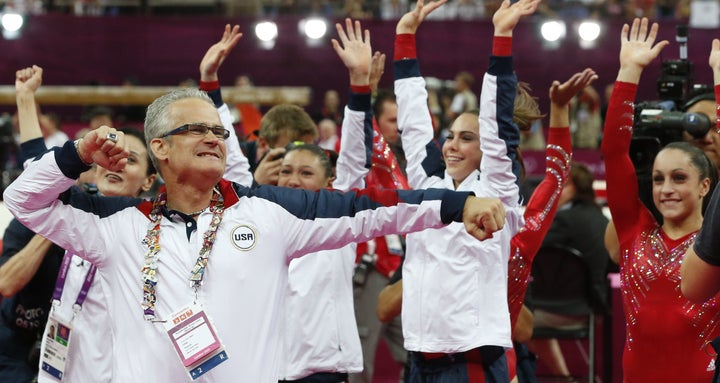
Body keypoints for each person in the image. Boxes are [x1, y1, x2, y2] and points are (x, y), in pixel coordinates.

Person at [3, 78, 507, 383]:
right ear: (159, 148)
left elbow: (367, 207)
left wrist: (455, 204)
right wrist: (74, 155)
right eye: (195, 129)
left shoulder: (269, 213)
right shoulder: (115, 226)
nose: (213, 138)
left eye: (218, 131)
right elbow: (23, 199)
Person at [390, 1, 537, 381]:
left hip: (471, 358)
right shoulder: (428, 185)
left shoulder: (499, 190)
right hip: (420, 355)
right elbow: (413, 122)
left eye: (467, 138)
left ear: (486, 147)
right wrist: (405, 38)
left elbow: (497, 125)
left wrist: (501, 37)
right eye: (451, 136)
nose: (453, 145)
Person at [602, 18, 720, 382]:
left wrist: (719, 79)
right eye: (657, 179)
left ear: (705, 186)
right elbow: (613, 153)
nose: (665, 188)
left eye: (679, 178)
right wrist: (629, 72)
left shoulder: (713, 245)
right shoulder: (634, 229)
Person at [275, 19, 376, 382]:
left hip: (323, 368)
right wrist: (211, 82)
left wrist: (360, 85)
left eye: (306, 173)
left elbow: (352, 159)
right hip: (268, 366)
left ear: (328, 182)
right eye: (287, 172)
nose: (293, 180)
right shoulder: (261, 217)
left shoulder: (337, 220)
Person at [0, 65, 69, 383]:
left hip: (76, 339)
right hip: (20, 334)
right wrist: (51, 226)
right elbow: (35, 158)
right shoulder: (53, 204)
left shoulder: (112, 213)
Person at [527, 161, 610, 380]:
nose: (554, 192)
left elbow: (526, 248)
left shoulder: (564, 221)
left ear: (576, 188)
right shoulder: (599, 217)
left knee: (510, 316)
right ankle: (564, 378)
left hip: (568, 310)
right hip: (594, 306)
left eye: (561, 186)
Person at [680, 39, 720, 303]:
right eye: (696, 125)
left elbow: (694, 287)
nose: (705, 135)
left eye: (716, 125)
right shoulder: (663, 190)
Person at [239, 103, 318, 185]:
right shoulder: (233, 160)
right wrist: (255, 184)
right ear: (263, 144)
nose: (301, 159)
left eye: (309, 149)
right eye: (293, 149)